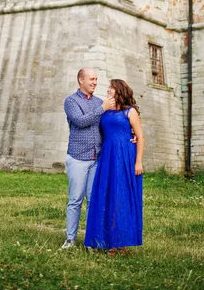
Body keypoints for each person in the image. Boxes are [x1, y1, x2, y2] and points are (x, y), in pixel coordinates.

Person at [84, 79, 145, 254]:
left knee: (122, 196)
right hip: (108, 156)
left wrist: (138, 161)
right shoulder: (106, 110)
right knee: (108, 196)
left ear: (119, 91)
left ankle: (122, 242)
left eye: (111, 87)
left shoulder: (130, 112)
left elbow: (140, 136)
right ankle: (108, 240)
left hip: (125, 156)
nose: (108, 89)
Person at [61, 67, 115, 249]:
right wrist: (102, 109)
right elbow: (80, 121)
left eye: (96, 79)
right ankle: (70, 239)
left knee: (94, 200)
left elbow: (108, 126)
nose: (94, 82)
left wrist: (131, 134)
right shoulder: (71, 101)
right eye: (91, 79)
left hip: (96, 158)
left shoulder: (99, 102)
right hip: (77, 157)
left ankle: (92, 240)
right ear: (81, 80)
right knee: (75, 199)